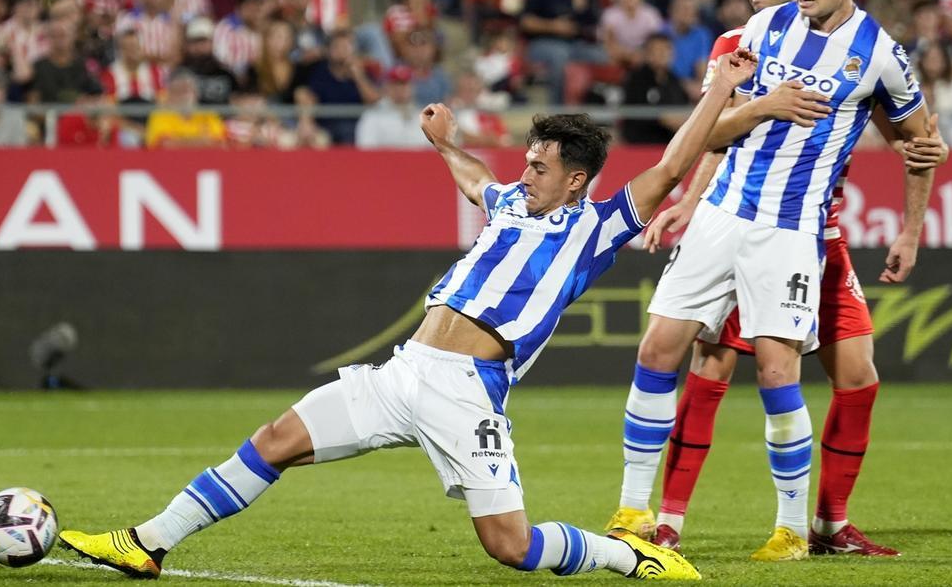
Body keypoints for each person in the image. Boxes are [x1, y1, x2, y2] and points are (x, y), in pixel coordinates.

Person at [58, 47, 763, 583]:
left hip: (468, 390)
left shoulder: (600, 225)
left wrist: (719, 91)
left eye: (541, 166)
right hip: (403, 374)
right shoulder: (511, 202)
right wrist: (444, 143)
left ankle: (624, 555)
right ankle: (147, 542)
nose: (526, 173)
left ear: (576, 178)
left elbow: (673, 165)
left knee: (510, 547)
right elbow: (476, 180)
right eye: (527, 160)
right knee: (275, 438)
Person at [605, 0, 944, 562]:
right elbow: (713, 128)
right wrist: (761, 106)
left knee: (776, 369)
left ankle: (792, 530)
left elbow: (920, 144)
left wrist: (910, 229)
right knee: (658, 349)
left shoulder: (880, 52)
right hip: (721, 215)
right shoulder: (763, 29)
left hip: (791, 231)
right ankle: (633, 511)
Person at [145, 67, 226, 149]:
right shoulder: (160, 115)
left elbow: (219, 143)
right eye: (180, 90)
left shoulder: (208, 114)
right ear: (170, 95)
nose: (185, 95)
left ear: (197, 93)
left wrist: (180, 141)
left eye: (189, 89)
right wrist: (200, 141)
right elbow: (165, 145)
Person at [354, 65, 423, 149]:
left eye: (404, 84)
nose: (400, 89)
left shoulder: (421, 115)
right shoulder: (372, 116)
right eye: (395, 84)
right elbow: (366, 149)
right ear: (386, 86)